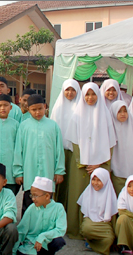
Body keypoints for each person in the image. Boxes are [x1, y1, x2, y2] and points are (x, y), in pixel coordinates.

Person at [64, 82, 116, 240]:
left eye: (93, 94)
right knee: (77, 195)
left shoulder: (105, 115)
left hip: (100, 166)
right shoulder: (77, 115)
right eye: (87, 94)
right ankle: (77, 230)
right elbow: (74, 142)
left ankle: (97, 230)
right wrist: (84, 162)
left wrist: (99, 164)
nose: (90, 97)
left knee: (99, 196)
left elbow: (111, 143)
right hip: (80, 165)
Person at [13, 94, 65, 218]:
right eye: (34, 109)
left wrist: (59, 171)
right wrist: (18, 172)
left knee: (47, 202)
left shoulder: (53, 126)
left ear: (45, 107)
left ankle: (47, 229)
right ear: (28, 109)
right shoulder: (24, 126)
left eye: (40, 109)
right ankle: (27, 230)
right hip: (29, 171)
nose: (37, 112)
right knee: (29, 202)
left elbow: (59, 150)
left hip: (48, 171)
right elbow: (18, 151)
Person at [14, 176, 67, 255]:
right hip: (31, 243)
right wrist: (13, 253)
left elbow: (60, 229)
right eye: (31, 195)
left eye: (35, 195)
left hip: (46, 241)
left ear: (47, 196)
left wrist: (42, 236)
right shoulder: (31, 209)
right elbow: (21, 230)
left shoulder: (58, 208)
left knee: (59, 241)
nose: (33, 199)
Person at [50, 79, 81, 207]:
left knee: (73, 183)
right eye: (67, 89)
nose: (70, 92)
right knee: (59, 183)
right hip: (59, 150)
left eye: (73, 90)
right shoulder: (58, 108)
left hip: (75, 151)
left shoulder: (81, 107)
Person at [77, 168, 118, 255]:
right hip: (90, 221)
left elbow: (113, 217)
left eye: (99, 180)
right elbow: (82, 212)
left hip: (104, 224)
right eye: (93, 179)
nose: (95, 183)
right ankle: (89, 240)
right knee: (86, 229)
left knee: (109, 239)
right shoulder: (88, 192)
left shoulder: (110, 194)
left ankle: (92, 245)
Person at [109, 100, 133, 195]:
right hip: (114, 172)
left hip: (132, 170)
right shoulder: (109, 129)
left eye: (125, 111)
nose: (123, 114)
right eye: (119, 111)